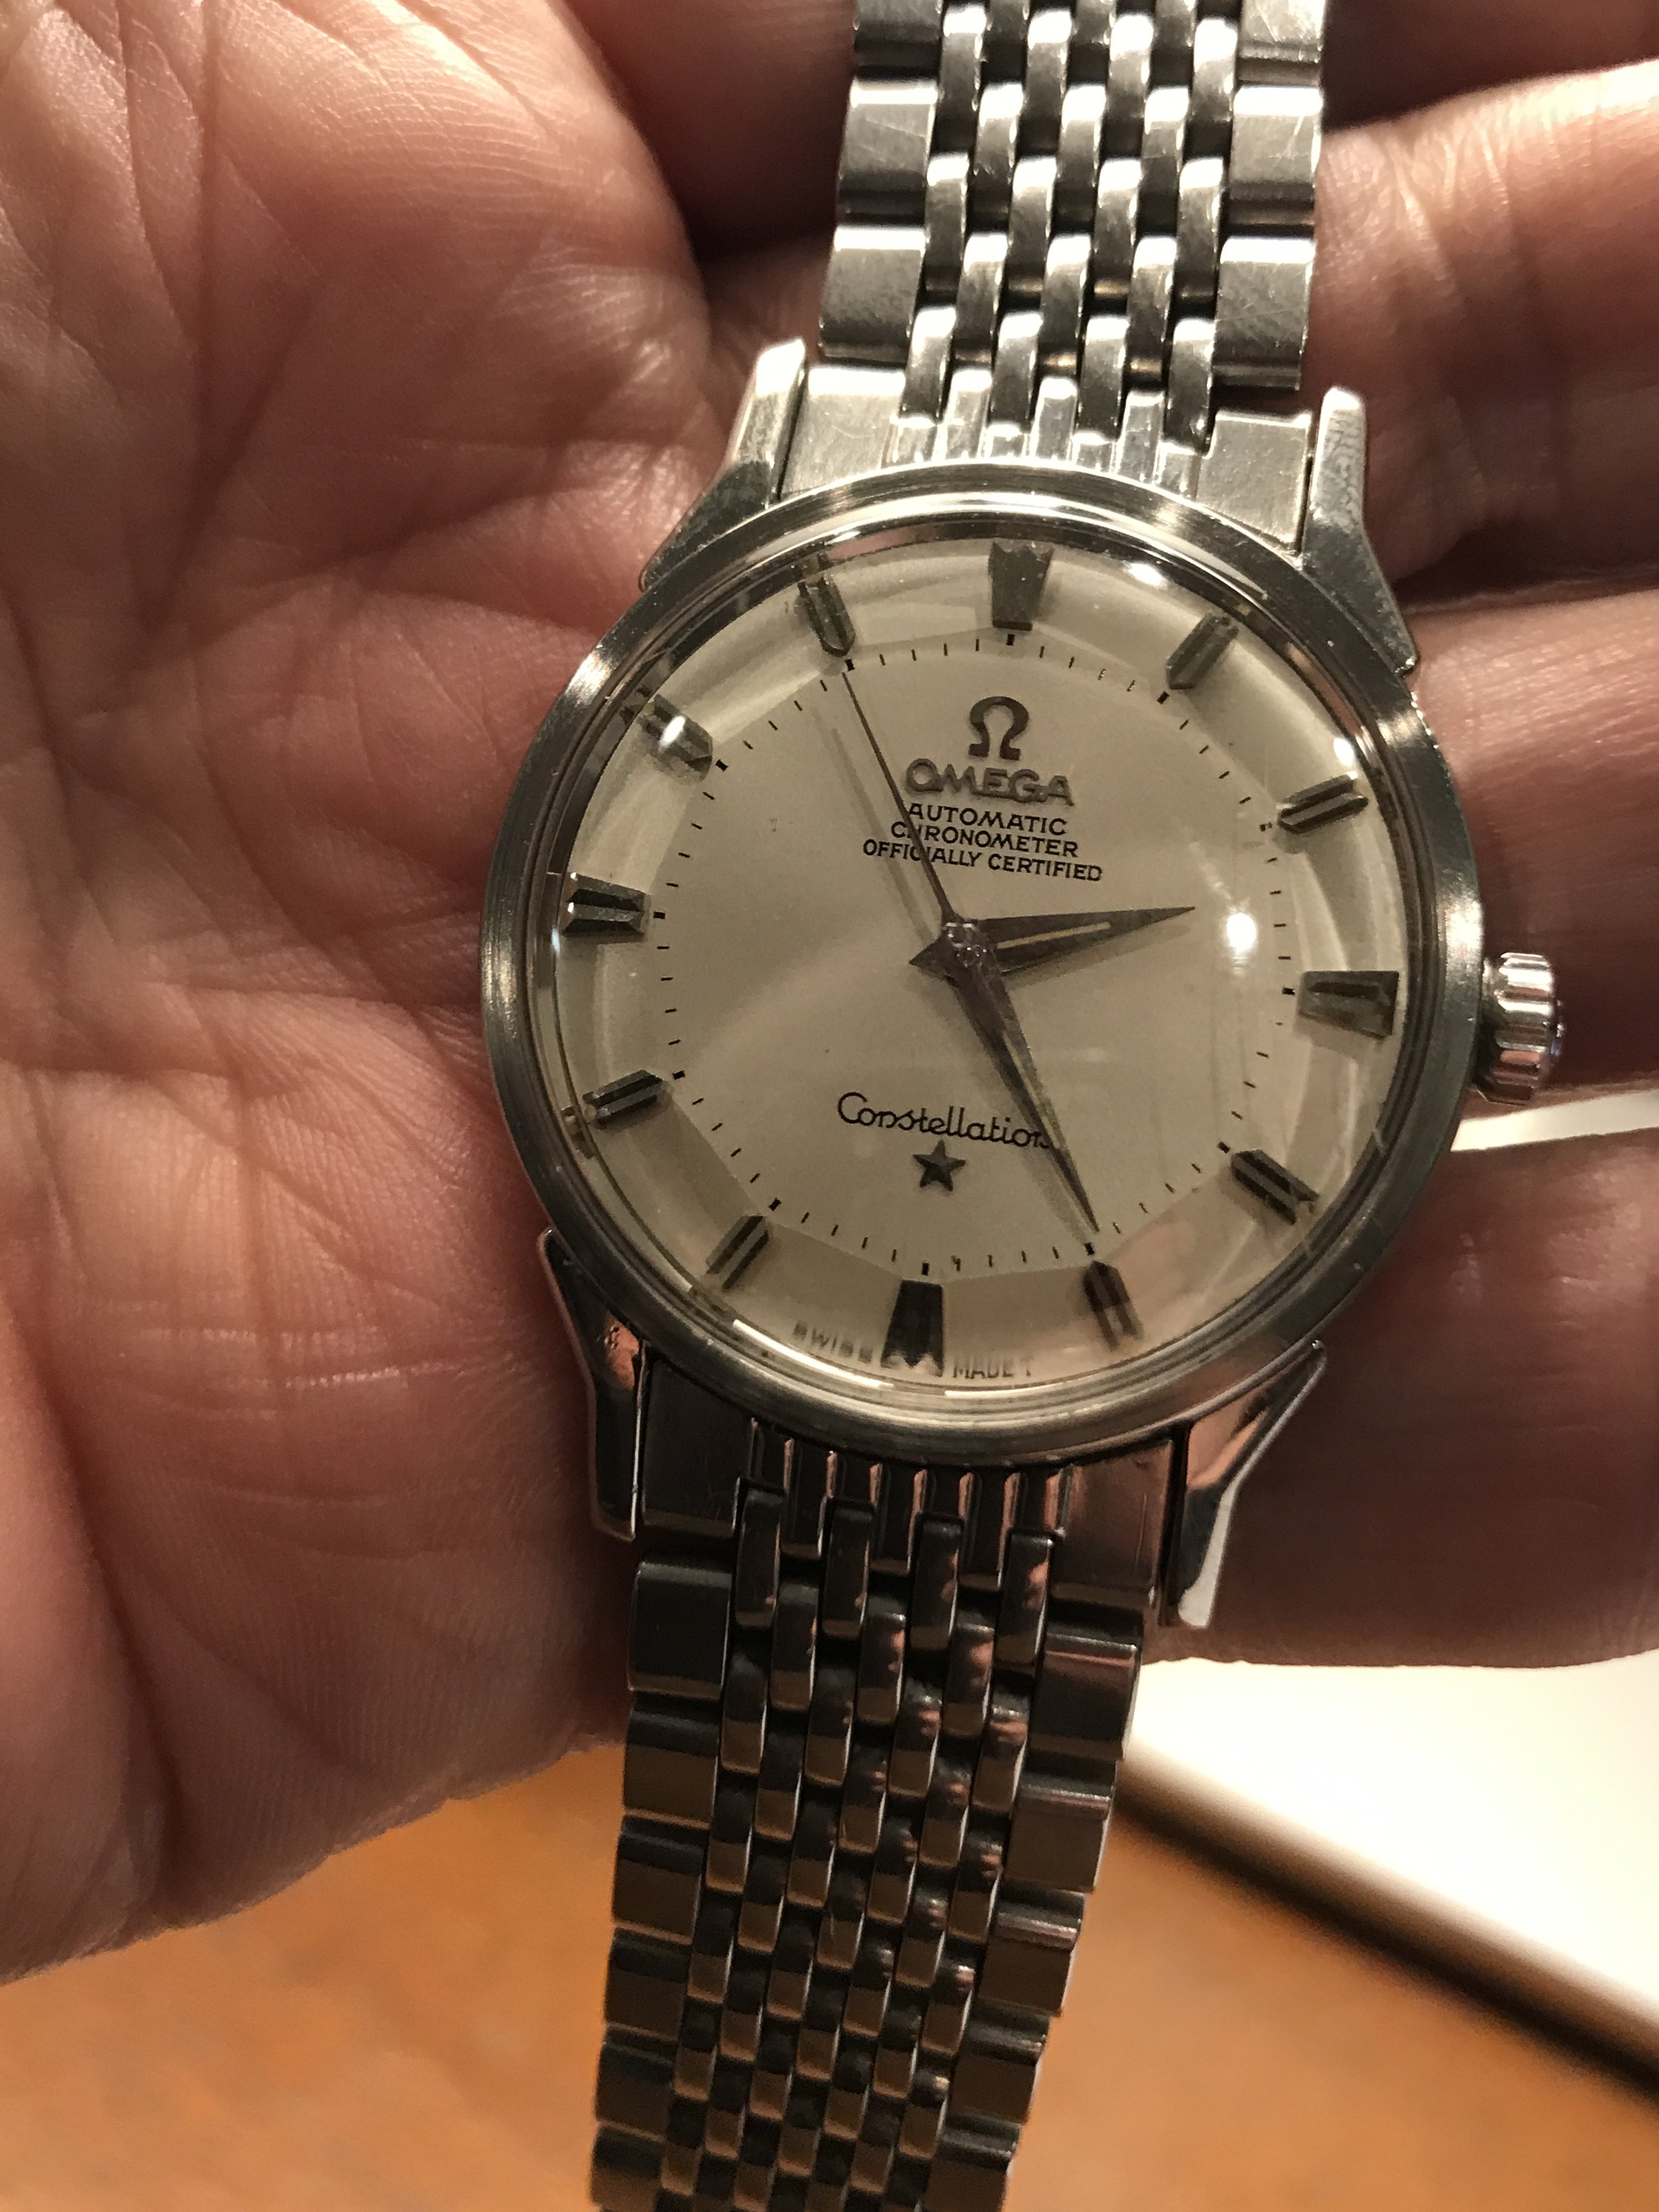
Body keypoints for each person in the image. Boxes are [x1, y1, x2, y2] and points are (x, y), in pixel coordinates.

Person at [0, 0, 1652, 1984]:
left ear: (1477, 1019)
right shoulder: (807, 551)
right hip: (800, 1317)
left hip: (969, 1346)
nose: (968, 949)